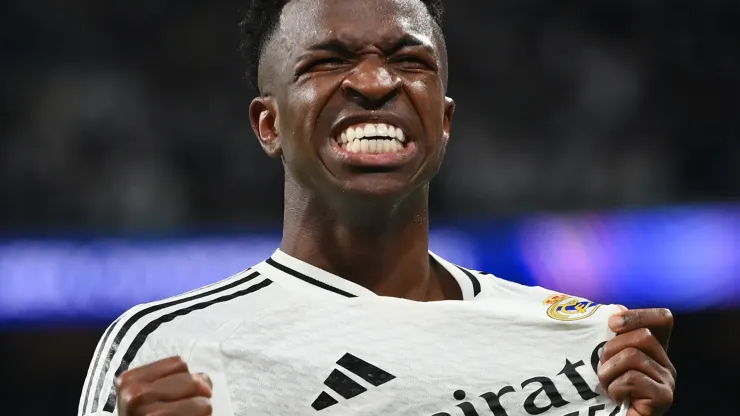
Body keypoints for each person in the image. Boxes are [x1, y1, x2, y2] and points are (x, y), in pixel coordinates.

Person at [78, 0, 677, 415]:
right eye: (327, 60)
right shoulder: (166, 345)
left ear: (442, 122)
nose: (373, 81)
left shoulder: (570, 349)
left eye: (409, 60)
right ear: (269, 124)